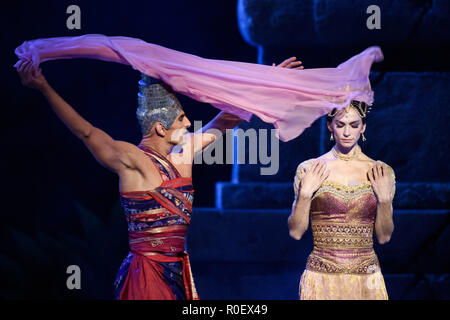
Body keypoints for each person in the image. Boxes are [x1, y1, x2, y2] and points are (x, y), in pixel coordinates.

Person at [15, 56, 302, 300]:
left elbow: (227, 119)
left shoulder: (183, 153)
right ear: (160, 128)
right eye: (181, 119)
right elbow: (87, 132)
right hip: (147, 275)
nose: (189, 123)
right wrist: (44, 88)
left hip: (179, 271)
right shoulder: (133, 161)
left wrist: (270, 82)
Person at [288, 100, 396, 300]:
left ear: (363, 127)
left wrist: (384, 200)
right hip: (322, 278)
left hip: (367, 278)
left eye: (354, 125)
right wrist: (304, 194)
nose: (347, 132)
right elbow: (295, 232)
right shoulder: (310, 169)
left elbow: (384, 237)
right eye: (340, 125)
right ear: (330, 126)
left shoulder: (380, 171)